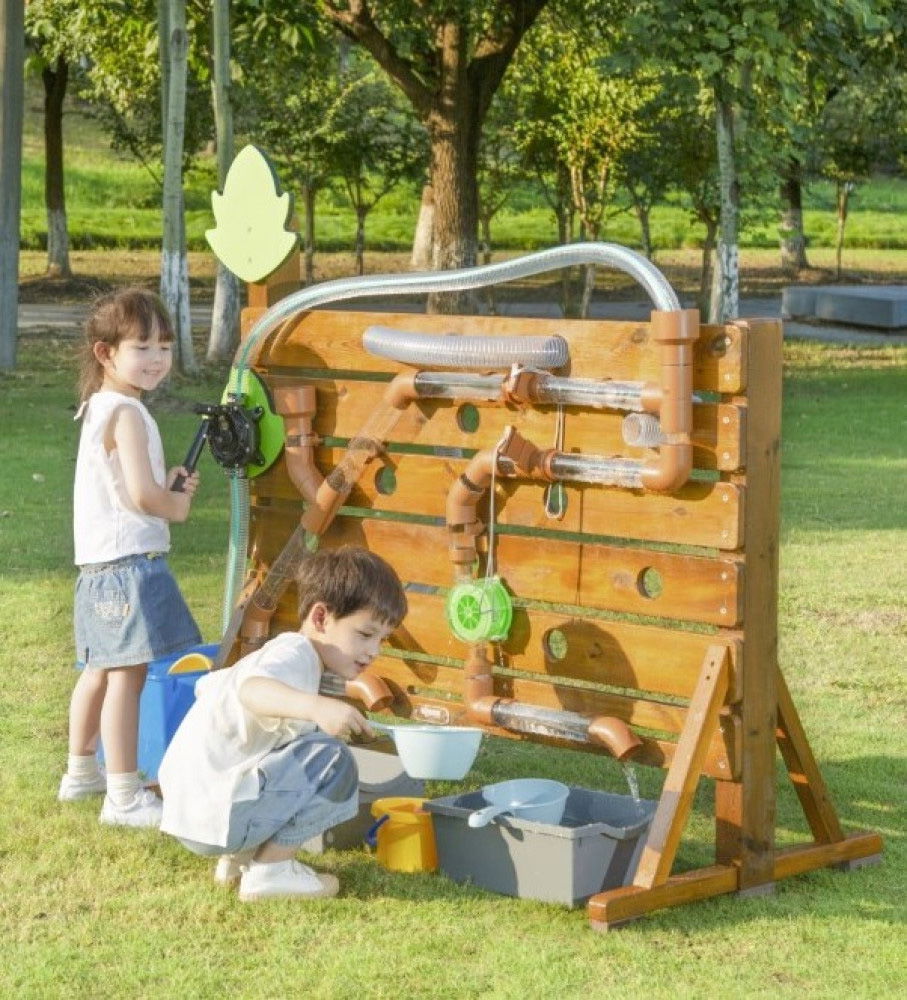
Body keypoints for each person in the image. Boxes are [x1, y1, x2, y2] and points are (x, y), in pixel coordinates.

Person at [158, 546, 407, 902]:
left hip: (196, 811)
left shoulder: (291, 657)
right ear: (321, 618)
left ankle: (241, 858)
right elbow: (252, 691)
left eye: (381, 639)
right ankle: (271, 872)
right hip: (215, 812)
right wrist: (316, 707)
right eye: (365, 634)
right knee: (332, 760)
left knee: (292, 749)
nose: (374, 651)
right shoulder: (293, 653)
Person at [58, 288, 202, 828]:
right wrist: (176, 504)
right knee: (127, 674)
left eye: (164, 346)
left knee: (99, 668)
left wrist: (164, 487)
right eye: (142, 347)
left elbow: (125, 485)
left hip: (99, 566)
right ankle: (123, 796)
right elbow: (144, 497)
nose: (157, 359)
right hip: (128, 565)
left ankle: (81, 773)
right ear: (105, 353)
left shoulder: (99, 406)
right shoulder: (128, 413)